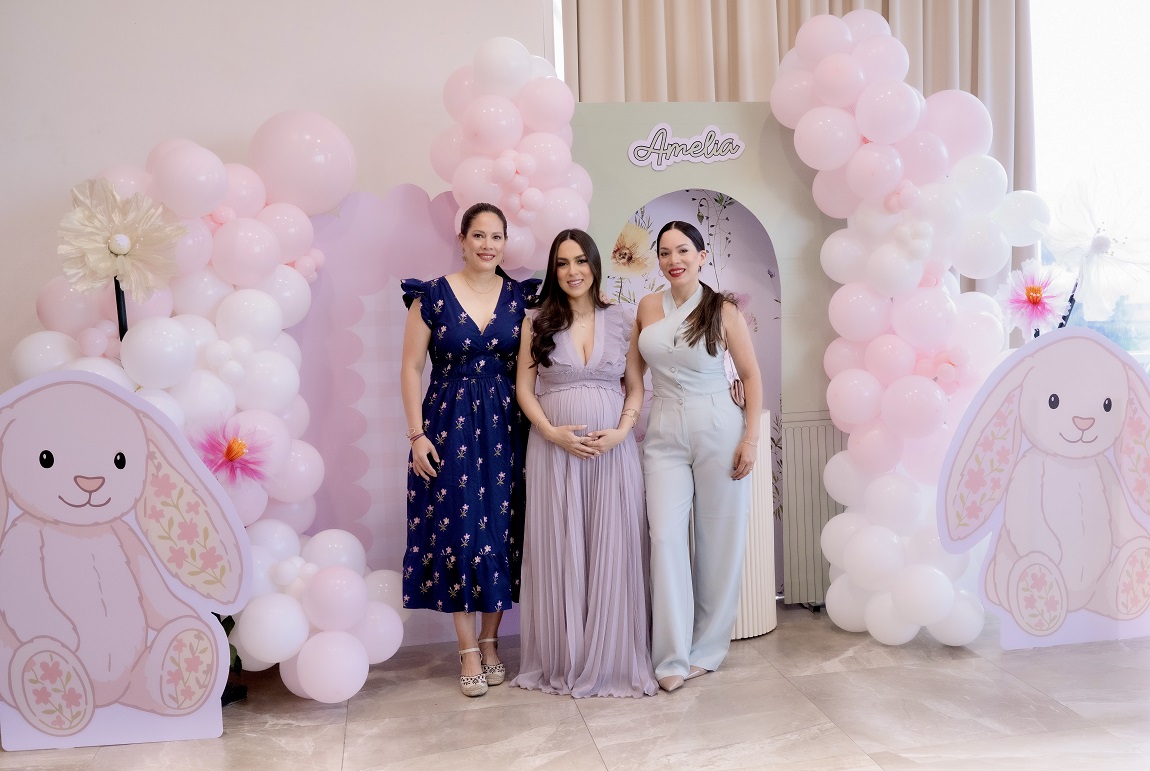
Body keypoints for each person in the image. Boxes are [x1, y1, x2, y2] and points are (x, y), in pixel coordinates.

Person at [511, 229, 658, 698]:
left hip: (613, 451)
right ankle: (565, 659)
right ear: (553, 270)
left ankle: (612, 658)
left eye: (580, 261)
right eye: (562, 263)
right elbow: (524, 390)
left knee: (614, 544)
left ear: (594, 265)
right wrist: (550, 432)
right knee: (561, 547)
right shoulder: (536, 321)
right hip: (554, 451)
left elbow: (634, 387)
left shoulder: (623, 318)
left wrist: (622, 431)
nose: (572, 271)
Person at [399, 202, 537, 697]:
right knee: (459, 532)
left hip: (506, 426)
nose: (487, 245)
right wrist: (416, 435)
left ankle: (491, 639)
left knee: (500, 531)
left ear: (505, 243)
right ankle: (467, 650)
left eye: (496, 237)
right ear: (461, 239)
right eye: (478, 235)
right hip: (446, 426)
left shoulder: (521, 298)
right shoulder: (431, 296)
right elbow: (411, 367)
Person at [635, 220, 762, 693]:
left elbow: (750, 375)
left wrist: (750, 439)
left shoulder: (722, 309)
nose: (674, 260)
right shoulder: (647, 307)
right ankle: (670, 655)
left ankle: (706, 650)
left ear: (702, 256)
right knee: (666, 538)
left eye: (683, 250)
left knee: (718, 541)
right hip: (663, 430)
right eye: (665, 252)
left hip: (718, 426)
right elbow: (632, 376)